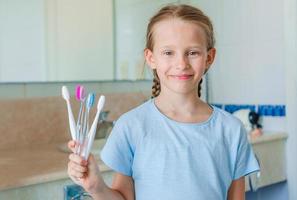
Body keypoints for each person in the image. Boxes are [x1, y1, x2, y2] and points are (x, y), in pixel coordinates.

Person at [67, 4, 260, 200]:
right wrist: (96, 187)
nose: (181, 64)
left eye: (192, 52)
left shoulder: (231, 130)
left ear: (209, 57)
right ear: (151, 58)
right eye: (169, 52)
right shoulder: (132, 126)